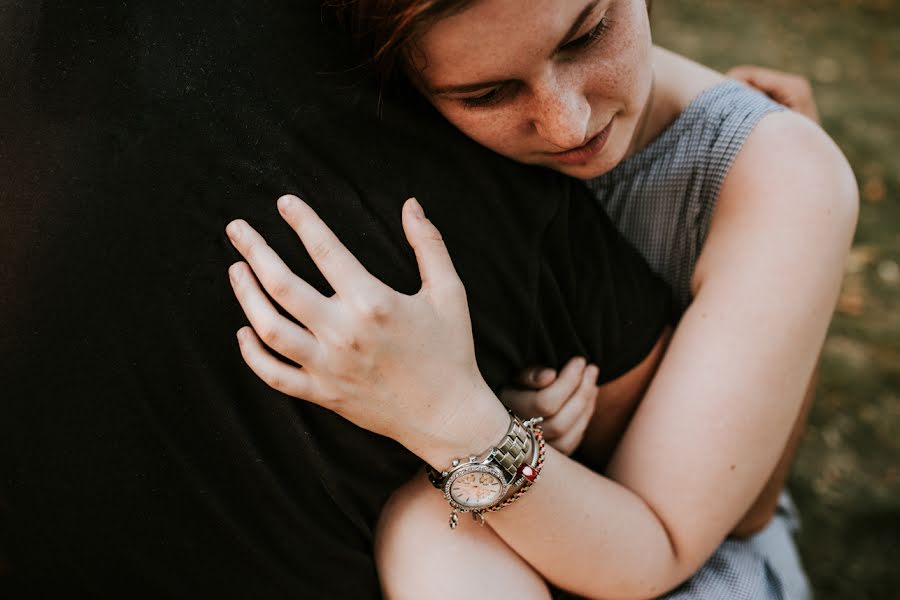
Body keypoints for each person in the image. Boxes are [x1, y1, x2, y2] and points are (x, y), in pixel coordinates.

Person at [224, 0, 858, 598]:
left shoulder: (776, 176)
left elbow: (686, 535)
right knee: (427, 521)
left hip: (672, 568)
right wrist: (511, 434)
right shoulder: (394, 128)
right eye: (487, 94)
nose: (568, 122)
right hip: (496, 542)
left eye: (587, 35)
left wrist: (456, 420)